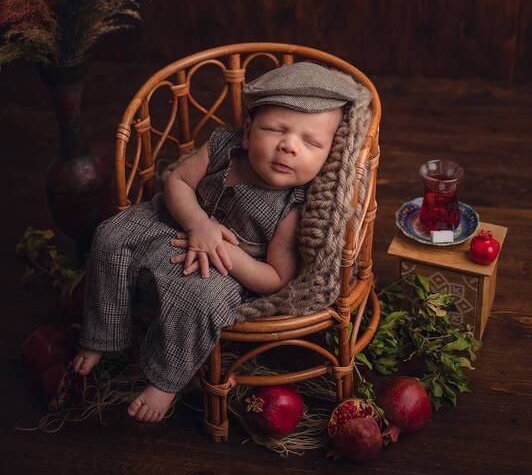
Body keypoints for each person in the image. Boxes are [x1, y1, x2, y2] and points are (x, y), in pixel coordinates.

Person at [73, 62, 361, 423]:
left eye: (311, 142)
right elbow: (178, 181)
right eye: (275, 130)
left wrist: (224, 250)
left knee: (199, 300)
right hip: (172, 219)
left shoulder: (294, 206)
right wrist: (198, 223)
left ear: (328, 156)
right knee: (110, 235)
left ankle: (165, 381)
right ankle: (101, 335)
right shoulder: (224, 146)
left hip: (224, 267)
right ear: (248, 133)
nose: (289, 146)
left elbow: (275, 277)